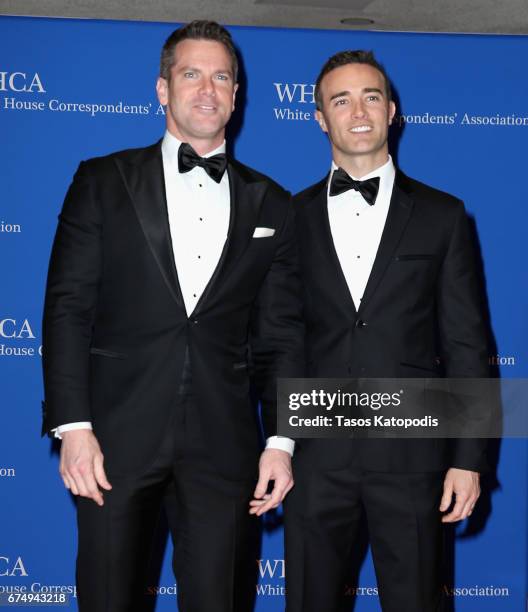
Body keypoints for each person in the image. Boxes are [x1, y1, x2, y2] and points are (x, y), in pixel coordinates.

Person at [41, 20, 303, 612]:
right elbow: (67, 308)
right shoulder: (102, 180)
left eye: (221, 77)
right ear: (163, 89)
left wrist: (282, 441)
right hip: (112, 440)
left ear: (236, 95)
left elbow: (282, 334)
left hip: (225, 446)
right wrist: (73, 427)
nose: (207, 90)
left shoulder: (274, 203)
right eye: (191, 74)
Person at [285, 50, 488, 612]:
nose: (358, 111)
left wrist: (468, 458)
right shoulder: (286, 217)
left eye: (371, 97)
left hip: (412, 456)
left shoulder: (444, 216)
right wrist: (277, 444)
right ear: (321, 118)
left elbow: (468, 345)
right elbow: (275, 341)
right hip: (314, 457)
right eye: (340, 99)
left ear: (392, 110)